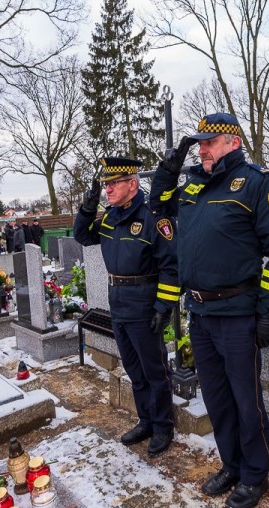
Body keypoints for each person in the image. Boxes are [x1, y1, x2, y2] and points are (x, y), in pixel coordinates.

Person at [149, 113, 269, 508]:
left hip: (237, 314)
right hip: (200, 313)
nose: (202, 150)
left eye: (209, 142)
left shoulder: (257, 183)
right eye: (199, 143)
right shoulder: (193, 186)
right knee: (216, 399)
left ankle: (255, 474)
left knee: (246, 401)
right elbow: (158, 208)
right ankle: (232, 464)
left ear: (233, 142)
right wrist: (167, 171)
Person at [74, 157, 180, 457]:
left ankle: (163, 426)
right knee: (134, 369)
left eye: (113, 184)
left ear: (132, 184)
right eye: (105, 184)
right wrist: (87, 209)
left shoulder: (153, 218)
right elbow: (83, 236)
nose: (107, 189)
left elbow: (171, 267)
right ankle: (146, 420)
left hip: (144, 307)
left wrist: (163, 306)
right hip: (118, 305)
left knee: (154, 371)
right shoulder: (111, 217)